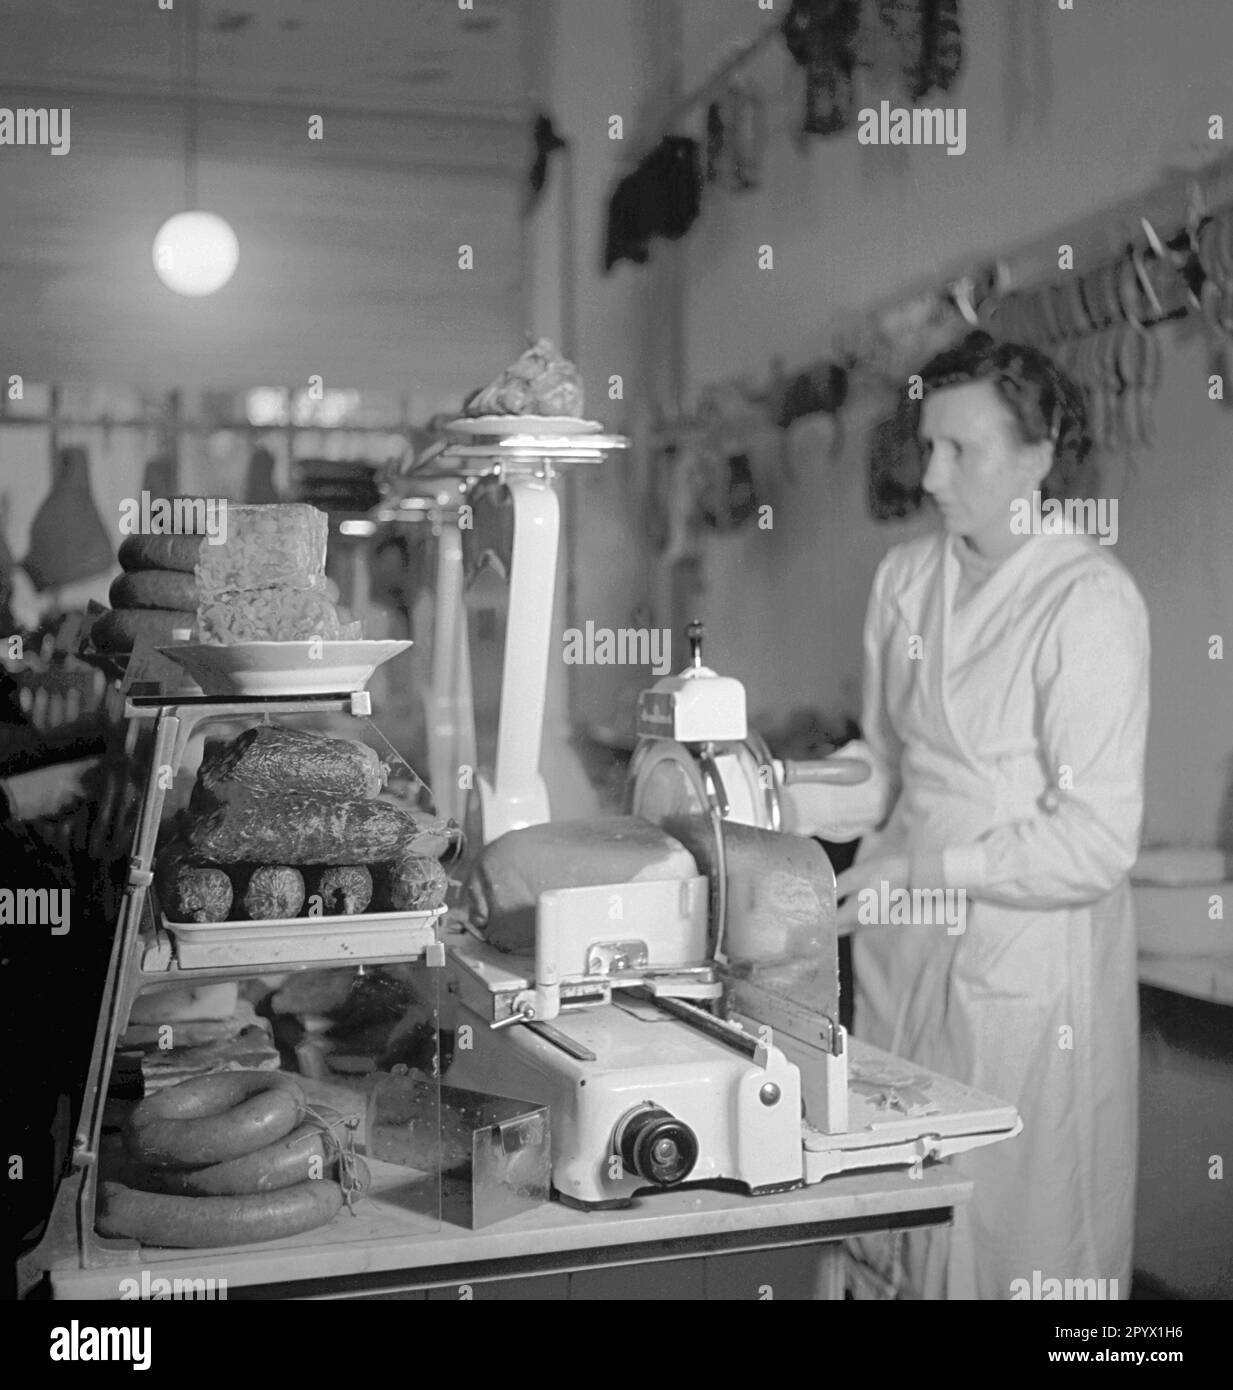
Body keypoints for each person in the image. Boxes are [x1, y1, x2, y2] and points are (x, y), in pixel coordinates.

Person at [811, 331, 1149, 1298]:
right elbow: (884, 767)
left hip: (1022, 955)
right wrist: (768, 787)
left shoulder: (1085, 600)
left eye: (962, 450)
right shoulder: (905, 580)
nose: (931, 474)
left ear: (1038, 457)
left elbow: (1094, 842)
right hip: (902, 946)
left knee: (1014, 1226)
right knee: (892, 1198)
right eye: (927, 445)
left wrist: (925, 874)